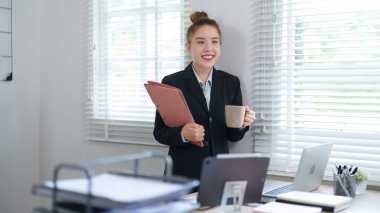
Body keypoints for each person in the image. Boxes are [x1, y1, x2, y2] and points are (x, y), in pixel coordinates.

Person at [153, 11, 256, 181]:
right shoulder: (172, 82)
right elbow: (160, 132)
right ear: (188, 46)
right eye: (200, 42)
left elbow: (233, 136)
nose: (209, 48)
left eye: (214, 42)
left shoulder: (231, 83)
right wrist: (183, 134)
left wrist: (242, 124)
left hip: (219, 173)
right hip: (182, 174)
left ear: (220, 46)